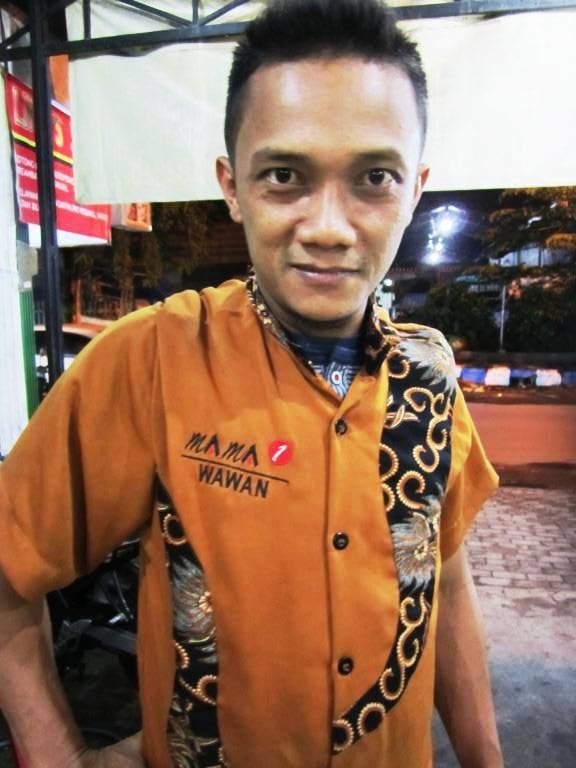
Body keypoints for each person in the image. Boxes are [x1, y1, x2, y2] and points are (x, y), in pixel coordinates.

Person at [0, 1, 504, 766]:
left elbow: (446, 582)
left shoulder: (428, 374)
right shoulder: (153, 361)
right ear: (232, 186)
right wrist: (56, 756)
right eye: (284, 176)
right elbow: (9, 572)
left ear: (414, 190)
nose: (328, 227)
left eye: (373, 177)